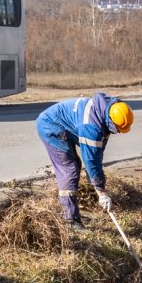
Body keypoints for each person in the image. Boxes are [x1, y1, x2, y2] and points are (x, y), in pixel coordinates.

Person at [35, 93, 133, 230]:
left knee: (81, 166)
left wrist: (94, 182)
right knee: (70, 169)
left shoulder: (107, 110)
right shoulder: (91, 127)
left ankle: (75, 208)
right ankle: (70, 219)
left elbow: (97, 153)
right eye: (117, 129)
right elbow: (91, 160)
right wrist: (101, 191)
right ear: (110, 120)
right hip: (51, 125)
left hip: (64, 123)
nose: (119, 132)